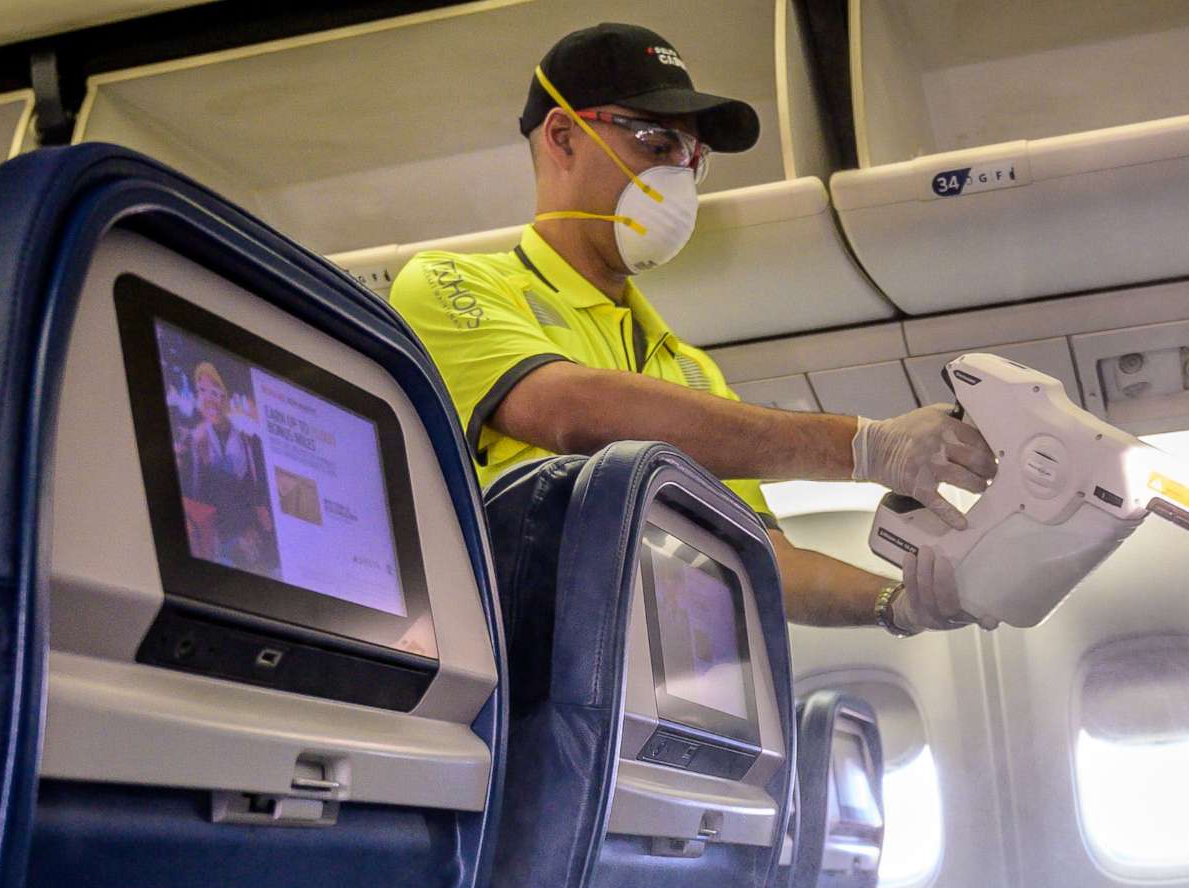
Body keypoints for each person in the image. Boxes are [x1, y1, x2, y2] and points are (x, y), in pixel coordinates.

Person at [390, 21, 996, 636]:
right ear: (564, 136)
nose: (679, 174)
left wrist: (901, 602)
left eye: (692, 156)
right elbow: (568, 410)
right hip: (529, 684)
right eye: (656, 143)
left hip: (659, 692)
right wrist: (866, 448)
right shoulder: (450, 284)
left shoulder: (688, 369)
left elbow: (763, 562)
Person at [177, 360, 275, 572]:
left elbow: (258, 497)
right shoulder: (193, 441)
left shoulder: (250, 440)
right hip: (208, 546)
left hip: (248, 538)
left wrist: (250, 529)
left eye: (215, 391)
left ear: (228, 395)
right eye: (202, 390)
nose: (208, 399)